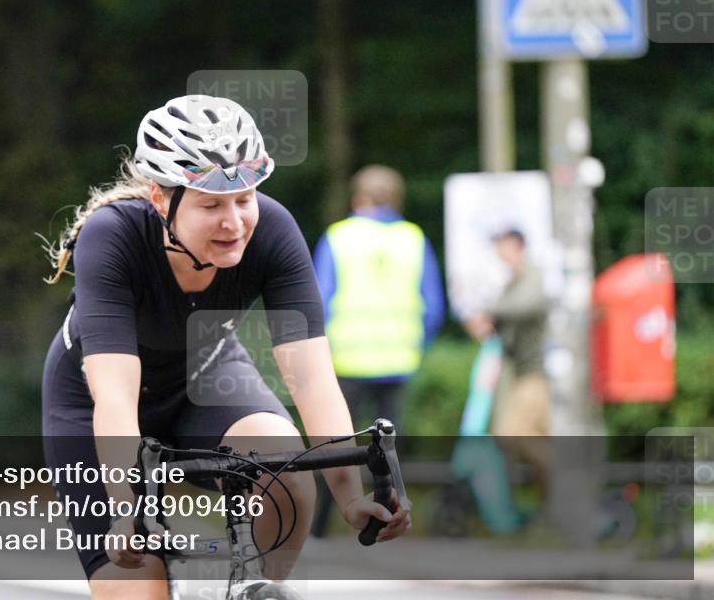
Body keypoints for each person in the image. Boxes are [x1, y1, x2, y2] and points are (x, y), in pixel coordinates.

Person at [41, 95, 409, 600]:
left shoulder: (274, 230)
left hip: (203, 377)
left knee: (284, 472)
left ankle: (253, 592)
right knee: (137, 589)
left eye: (244, 199)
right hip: (95, 403)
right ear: (159, 199)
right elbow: (117, 397)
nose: (234, 222)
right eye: (211, 204)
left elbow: (312, 378)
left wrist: (349, 497)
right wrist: (128, 506)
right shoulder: (112, 237)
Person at [309, 165, 444, 537]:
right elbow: (433, 305)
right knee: (388, 451)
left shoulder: (338, 237)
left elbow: (318, 302)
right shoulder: (413, 239)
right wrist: (416, 346)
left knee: (335, 444)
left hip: (347, 359)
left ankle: (319, 527)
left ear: (358, 199)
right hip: (399, 360)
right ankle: (390, 520)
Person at [463, 228, 551, 492]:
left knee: (512, 433)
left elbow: (527, 305)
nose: (499, 253)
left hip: (532, 374)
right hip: (520, 373)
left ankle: (566, 478)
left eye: (503, 246)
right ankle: (559, 502)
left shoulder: (531, 277)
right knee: (533, 436)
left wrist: (487, 313)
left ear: (517, 246)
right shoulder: (514, 280)